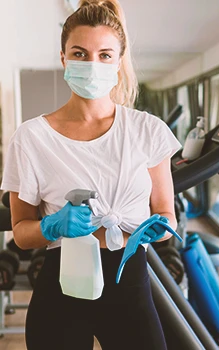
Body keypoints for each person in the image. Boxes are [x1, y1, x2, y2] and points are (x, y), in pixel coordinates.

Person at [0, 0, 182, 349]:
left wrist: (157, 227)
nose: (92, 64)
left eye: (104, 55)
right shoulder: (31, 138)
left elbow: (166, 214)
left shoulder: (147, 130)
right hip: (62, 285)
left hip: (129, 281)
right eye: (80, 54)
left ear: (118, 61)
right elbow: (22, 233)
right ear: (64, 58)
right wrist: (51, 226)